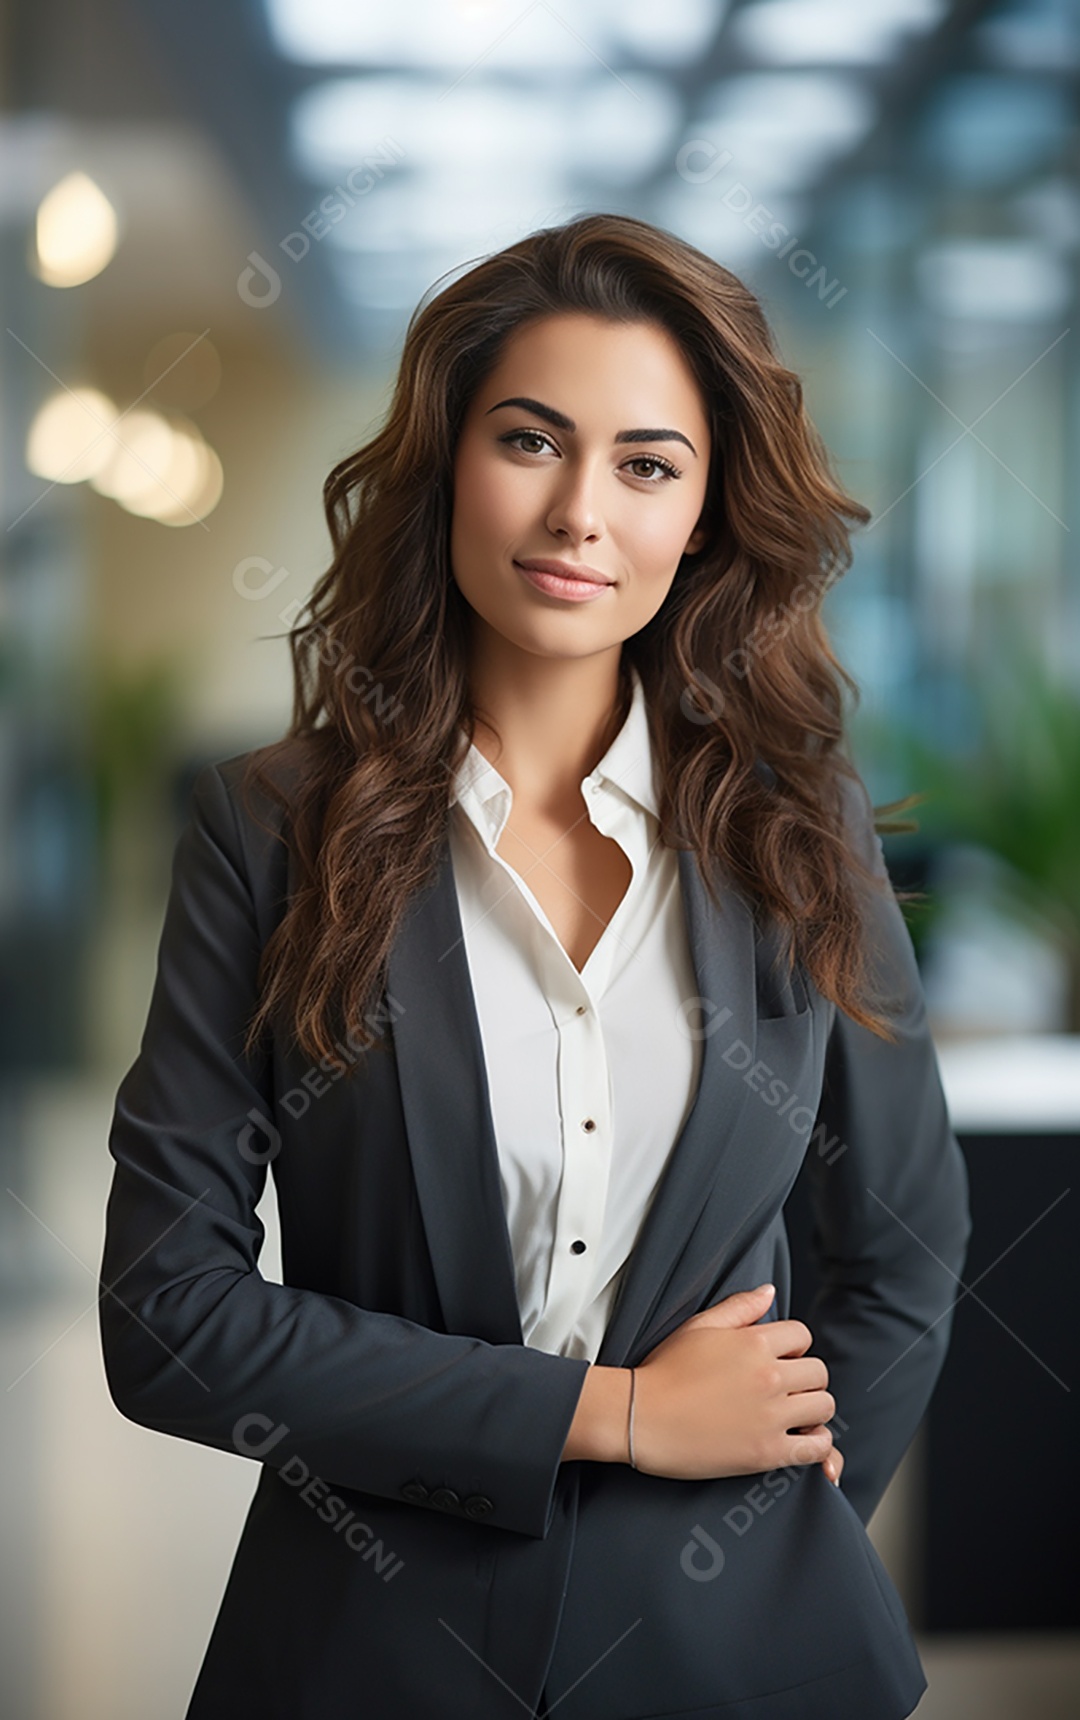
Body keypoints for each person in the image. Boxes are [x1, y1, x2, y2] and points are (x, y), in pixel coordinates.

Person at [98, 212, 972, 1720]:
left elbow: (897, 1248)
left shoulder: (796, 827)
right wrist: (613, 1417)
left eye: (648, 464)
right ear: (447, 463)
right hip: (368, 1657)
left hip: (751, 1666)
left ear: (702, 513)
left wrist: (767, 1526)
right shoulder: (272, 832)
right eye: (531, 441)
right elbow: (168, 1311)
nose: (582, 512)